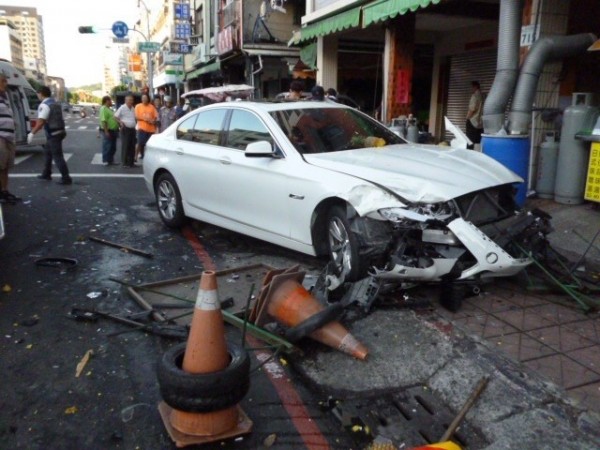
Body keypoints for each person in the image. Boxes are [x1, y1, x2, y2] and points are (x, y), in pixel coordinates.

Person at [28, 86, 72, 185]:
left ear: (41, 93)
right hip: (60, 131)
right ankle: (46, 173)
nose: (37, 96)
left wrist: (32, 133)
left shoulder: (44, 105)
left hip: (53, 133)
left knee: (57, 156)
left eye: (38, 94)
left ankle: (66, 178)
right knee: (47, 152)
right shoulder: (55, 103)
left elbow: (41, 122)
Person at [0, 72, 20, 204]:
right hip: (0, 136)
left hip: (9, 136)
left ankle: (4, 191)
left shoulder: (5, 97)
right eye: (3, 81)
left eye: (5, 81)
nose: (5, 84)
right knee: (0, 166)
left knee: (6, 166)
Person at [114, 94, 137, 167]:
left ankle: (131, 162)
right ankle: (124, 162)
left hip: (133, 129)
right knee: (125, 146)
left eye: (132, 100)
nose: (131, 101)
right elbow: (115, 116)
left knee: (132, 146)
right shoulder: (122, 107)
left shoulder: (133, 108)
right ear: (125, 100)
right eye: (129, 100)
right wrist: (120, 122)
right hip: (125, 128)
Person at [134, 93, 158, 161]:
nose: (144, 99)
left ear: (148, 99)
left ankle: (146, 157)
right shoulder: (138, 106)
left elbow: (155, 116)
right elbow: (136, 117)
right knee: (139, 143)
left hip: (151, 129)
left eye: (145, 98)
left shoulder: (152, 107)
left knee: (149, 145)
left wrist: (153, 121)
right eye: (143, 98)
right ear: (141, 99)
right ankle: (135, 157)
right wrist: (145, 119)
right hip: (141, 128)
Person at [99, 95, 120, 165]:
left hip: (114, 130)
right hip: (109, 130)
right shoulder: (104, 108)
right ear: (107, 101)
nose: (111, 102)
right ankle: (106, 160)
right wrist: (106, 131)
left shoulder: (109, 109)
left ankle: (111, 160)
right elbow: (103, 120)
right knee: (107, 146)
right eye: (110, 100)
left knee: (113, 147)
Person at [466, 81, 484, 149]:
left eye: (472, 87)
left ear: (475, 87)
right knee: (478, 140)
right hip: (480, 123)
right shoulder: (483, 96)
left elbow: (472, 109)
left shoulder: (475, 96)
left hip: (472, 121)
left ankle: (468, 154)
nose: (471, 89)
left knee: (469, 140)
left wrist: (468, 118)